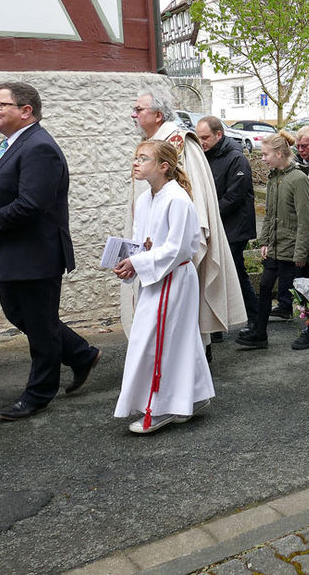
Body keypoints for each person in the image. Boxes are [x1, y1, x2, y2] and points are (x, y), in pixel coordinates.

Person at [0, 82, 100, 420]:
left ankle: (39, 393)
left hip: (36, 255)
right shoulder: (14, 143)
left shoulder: (39, 146)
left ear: (26, 111)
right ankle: (81, 353)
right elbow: (10, 192)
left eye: (1, 104)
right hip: (17, 252)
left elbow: (31, 206)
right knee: (21, 314)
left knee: (40, 327)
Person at [130, 89, 246, 352]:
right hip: (153, 249)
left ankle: (192, 363)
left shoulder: (180, 142)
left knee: (181, 321)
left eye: (139, 110)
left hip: (177, 249)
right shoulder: (153, 143)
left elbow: (193, 201)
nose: (133, 115)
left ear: (158, 115)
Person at [113, 141, 213, 434]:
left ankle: (160, 408)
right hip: (153, 278)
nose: (136, 163)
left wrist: (139, 263)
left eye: (143, 158)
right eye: (135, 157)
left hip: (173, 279)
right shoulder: (145, 199)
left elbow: (179, 248)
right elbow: (141, 240)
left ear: (163, 166)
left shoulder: (177, 199)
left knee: (156, 342)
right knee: (178, 339)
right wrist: (127, 261)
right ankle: (192, 397)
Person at [237, 131, 309, 349]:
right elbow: (270, 213)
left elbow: (306, 219)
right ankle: (260, 333)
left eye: (266, 154)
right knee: (265, 286)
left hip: (295, 248)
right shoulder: (274, 178)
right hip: (276, 245)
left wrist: (301, 253)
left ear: (280, 153)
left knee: (303, 291)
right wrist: (264, 241)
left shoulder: (298, 178)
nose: (262, 158)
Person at [195, 116, 259, 343]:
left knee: (236, 273)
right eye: (199, 137)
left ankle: (256, 323)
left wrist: (207, 214)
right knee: (215, 275)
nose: (200, 142)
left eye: (205, 137)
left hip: (234, 228)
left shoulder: (236, 158)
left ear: (218, 135)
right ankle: (216, 327)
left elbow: (234, 196)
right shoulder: (206, 157)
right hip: (218, 225)